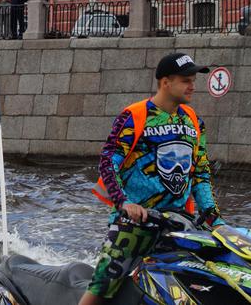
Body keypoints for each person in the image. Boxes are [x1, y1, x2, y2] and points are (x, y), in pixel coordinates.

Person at [80, 53, 224, 305]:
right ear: (165, 82)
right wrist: (124, 203)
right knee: (103, 284)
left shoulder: (194, 121)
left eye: (193, 80)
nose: (192, 85)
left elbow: (201, 173)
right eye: (185, 80)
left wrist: (214, 219)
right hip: (134, 223)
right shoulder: (134, 116)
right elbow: (108, 163)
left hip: (180, 224)